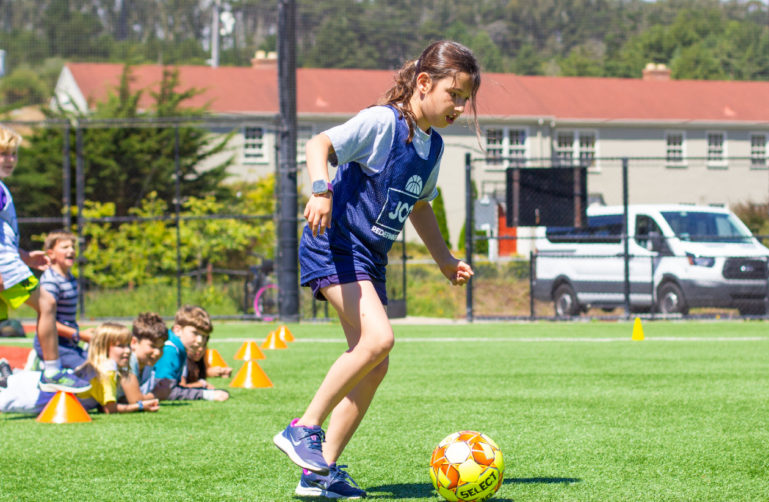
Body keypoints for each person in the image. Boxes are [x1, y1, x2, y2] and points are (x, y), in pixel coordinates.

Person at [272, 40, 480, 498]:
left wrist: (444, 259)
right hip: (333, 245)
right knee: (380, 339)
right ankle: (302, 428)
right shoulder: (384, 123)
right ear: (424, 83)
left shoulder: (432, 146)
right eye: (455, 95)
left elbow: (421, 205)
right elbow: (319, 144)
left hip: (369, 257)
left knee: (376, 364)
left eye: (467, 99)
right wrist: (321, 189)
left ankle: (319, 474)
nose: (461, 107)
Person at [0, 125, 90, 393]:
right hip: (6, 268)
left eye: (13, 154)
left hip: (10, 263)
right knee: (48, 304)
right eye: (3, 154)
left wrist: (26, 256)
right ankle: (52, 372)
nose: (9, 159)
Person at [0, 322, 159, 414]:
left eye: (127, 345)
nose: (127, 351)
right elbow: (109, 409)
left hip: (34, 386)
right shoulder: (108, 369)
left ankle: (7, 375)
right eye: (120, 346)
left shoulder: (104, 366)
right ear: (103, 348)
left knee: (9, 385)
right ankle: (7, 376)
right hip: (37, 398)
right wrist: (139, 406)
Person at [32, 230, 93, 371]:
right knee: (89, 371)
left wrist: (79, 332)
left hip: (68, 343)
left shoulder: (70, 278)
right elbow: (48, 320)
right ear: (51, 253)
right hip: (53, 344)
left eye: (73, 247)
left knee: (101, 361)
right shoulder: (51, 280)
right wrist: (79, 335)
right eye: (65, 247)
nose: (71, 250)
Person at [152, 304, 229, 402]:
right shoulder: (169, 350)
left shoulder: (179, 348)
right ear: (178, 330)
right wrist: (207, 394)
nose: (200, 340)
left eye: (204, 336)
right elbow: (165, 392)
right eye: (195, 333)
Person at [118, 311, 168, 404]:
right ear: (134, 342)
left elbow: (124, 400)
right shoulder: (128, 359)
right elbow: (135, 400)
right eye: (152, 346)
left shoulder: (147, 362)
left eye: (161, 347)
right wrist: (158, 394)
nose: (157, 352)